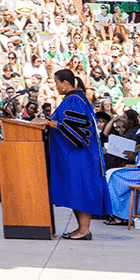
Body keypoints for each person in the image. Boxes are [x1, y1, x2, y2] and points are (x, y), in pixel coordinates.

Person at [45, 69, 106, 240]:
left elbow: (75, 127)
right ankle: (82, 229)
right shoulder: (75, 99)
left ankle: (84, 230)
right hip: (77, 156)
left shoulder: (74, 100)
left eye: (57, 83)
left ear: (65, 83)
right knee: (77, 191)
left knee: (81, 190)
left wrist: (48, 122)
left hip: (79, 156)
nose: (56, 86)